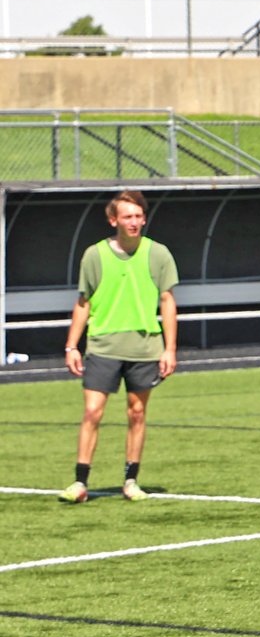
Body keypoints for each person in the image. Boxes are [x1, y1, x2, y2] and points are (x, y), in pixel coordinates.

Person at [61, 190, 178, 503]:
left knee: (137, 413)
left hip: (145, 348)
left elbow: (167, 302)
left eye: (139, 216)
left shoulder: (159, 254)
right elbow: (83, 302)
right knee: (92, 411)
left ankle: (130, 481)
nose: (135, 222)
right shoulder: (94, 255)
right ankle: (80, 482)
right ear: (113, 220)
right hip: (102, 346)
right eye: (128, 216)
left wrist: (169, 349)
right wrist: (72, 345)